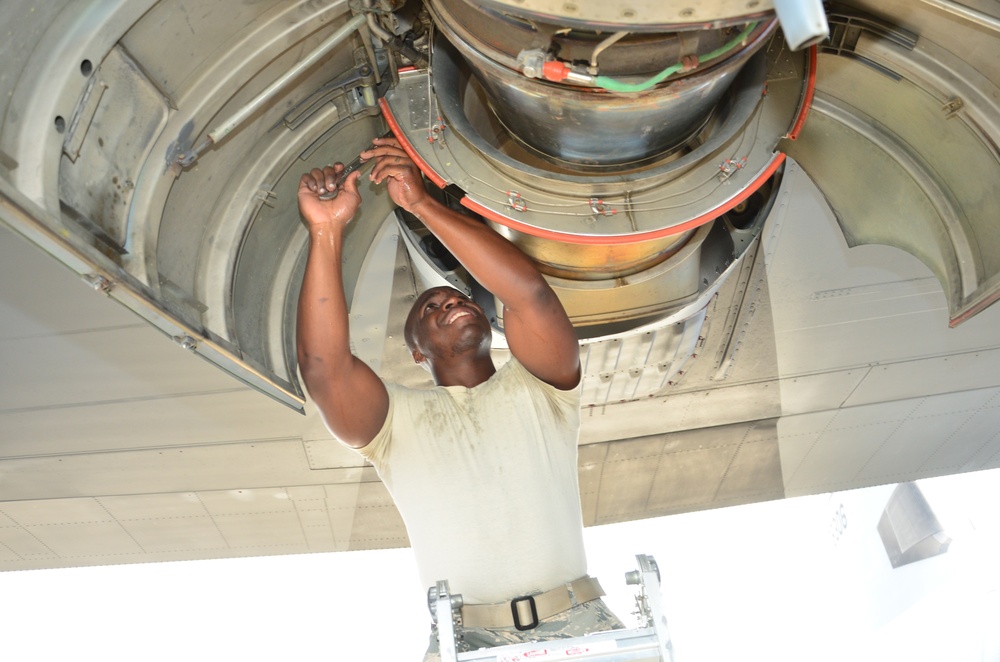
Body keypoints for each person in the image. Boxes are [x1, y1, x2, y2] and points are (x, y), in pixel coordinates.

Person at [296, 136, 624, 659]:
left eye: (458, 297)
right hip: (469, 642)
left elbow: (529, 294)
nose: (449, 301)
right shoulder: (396, 423)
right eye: (431, 309)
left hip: (583, 629)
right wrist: (326, 230)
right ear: (418, 353)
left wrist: (421, 203)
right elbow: (323, 368)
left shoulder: (542, 388)